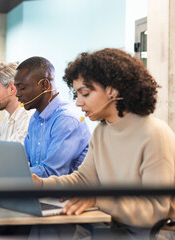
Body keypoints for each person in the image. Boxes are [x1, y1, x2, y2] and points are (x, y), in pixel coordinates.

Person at [32, 48, 175, 239]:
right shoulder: (102, 131)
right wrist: (41, 184)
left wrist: (98, 199)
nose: (78, 103)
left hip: (154, 233)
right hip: (112, 228)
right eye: (77, 95)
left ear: (112, 90)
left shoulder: (154, 133)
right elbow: (84, 180)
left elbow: (153, 210)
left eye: (85, 93)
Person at [14, 56, 91, 178]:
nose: (17, 94)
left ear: (44, 84)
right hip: (40, 193)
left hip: (65, 196)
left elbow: (51, 173)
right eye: (16, 88)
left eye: (22, 88)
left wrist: (8, 175)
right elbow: (27, 164)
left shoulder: (66, 119)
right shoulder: (35, 119)